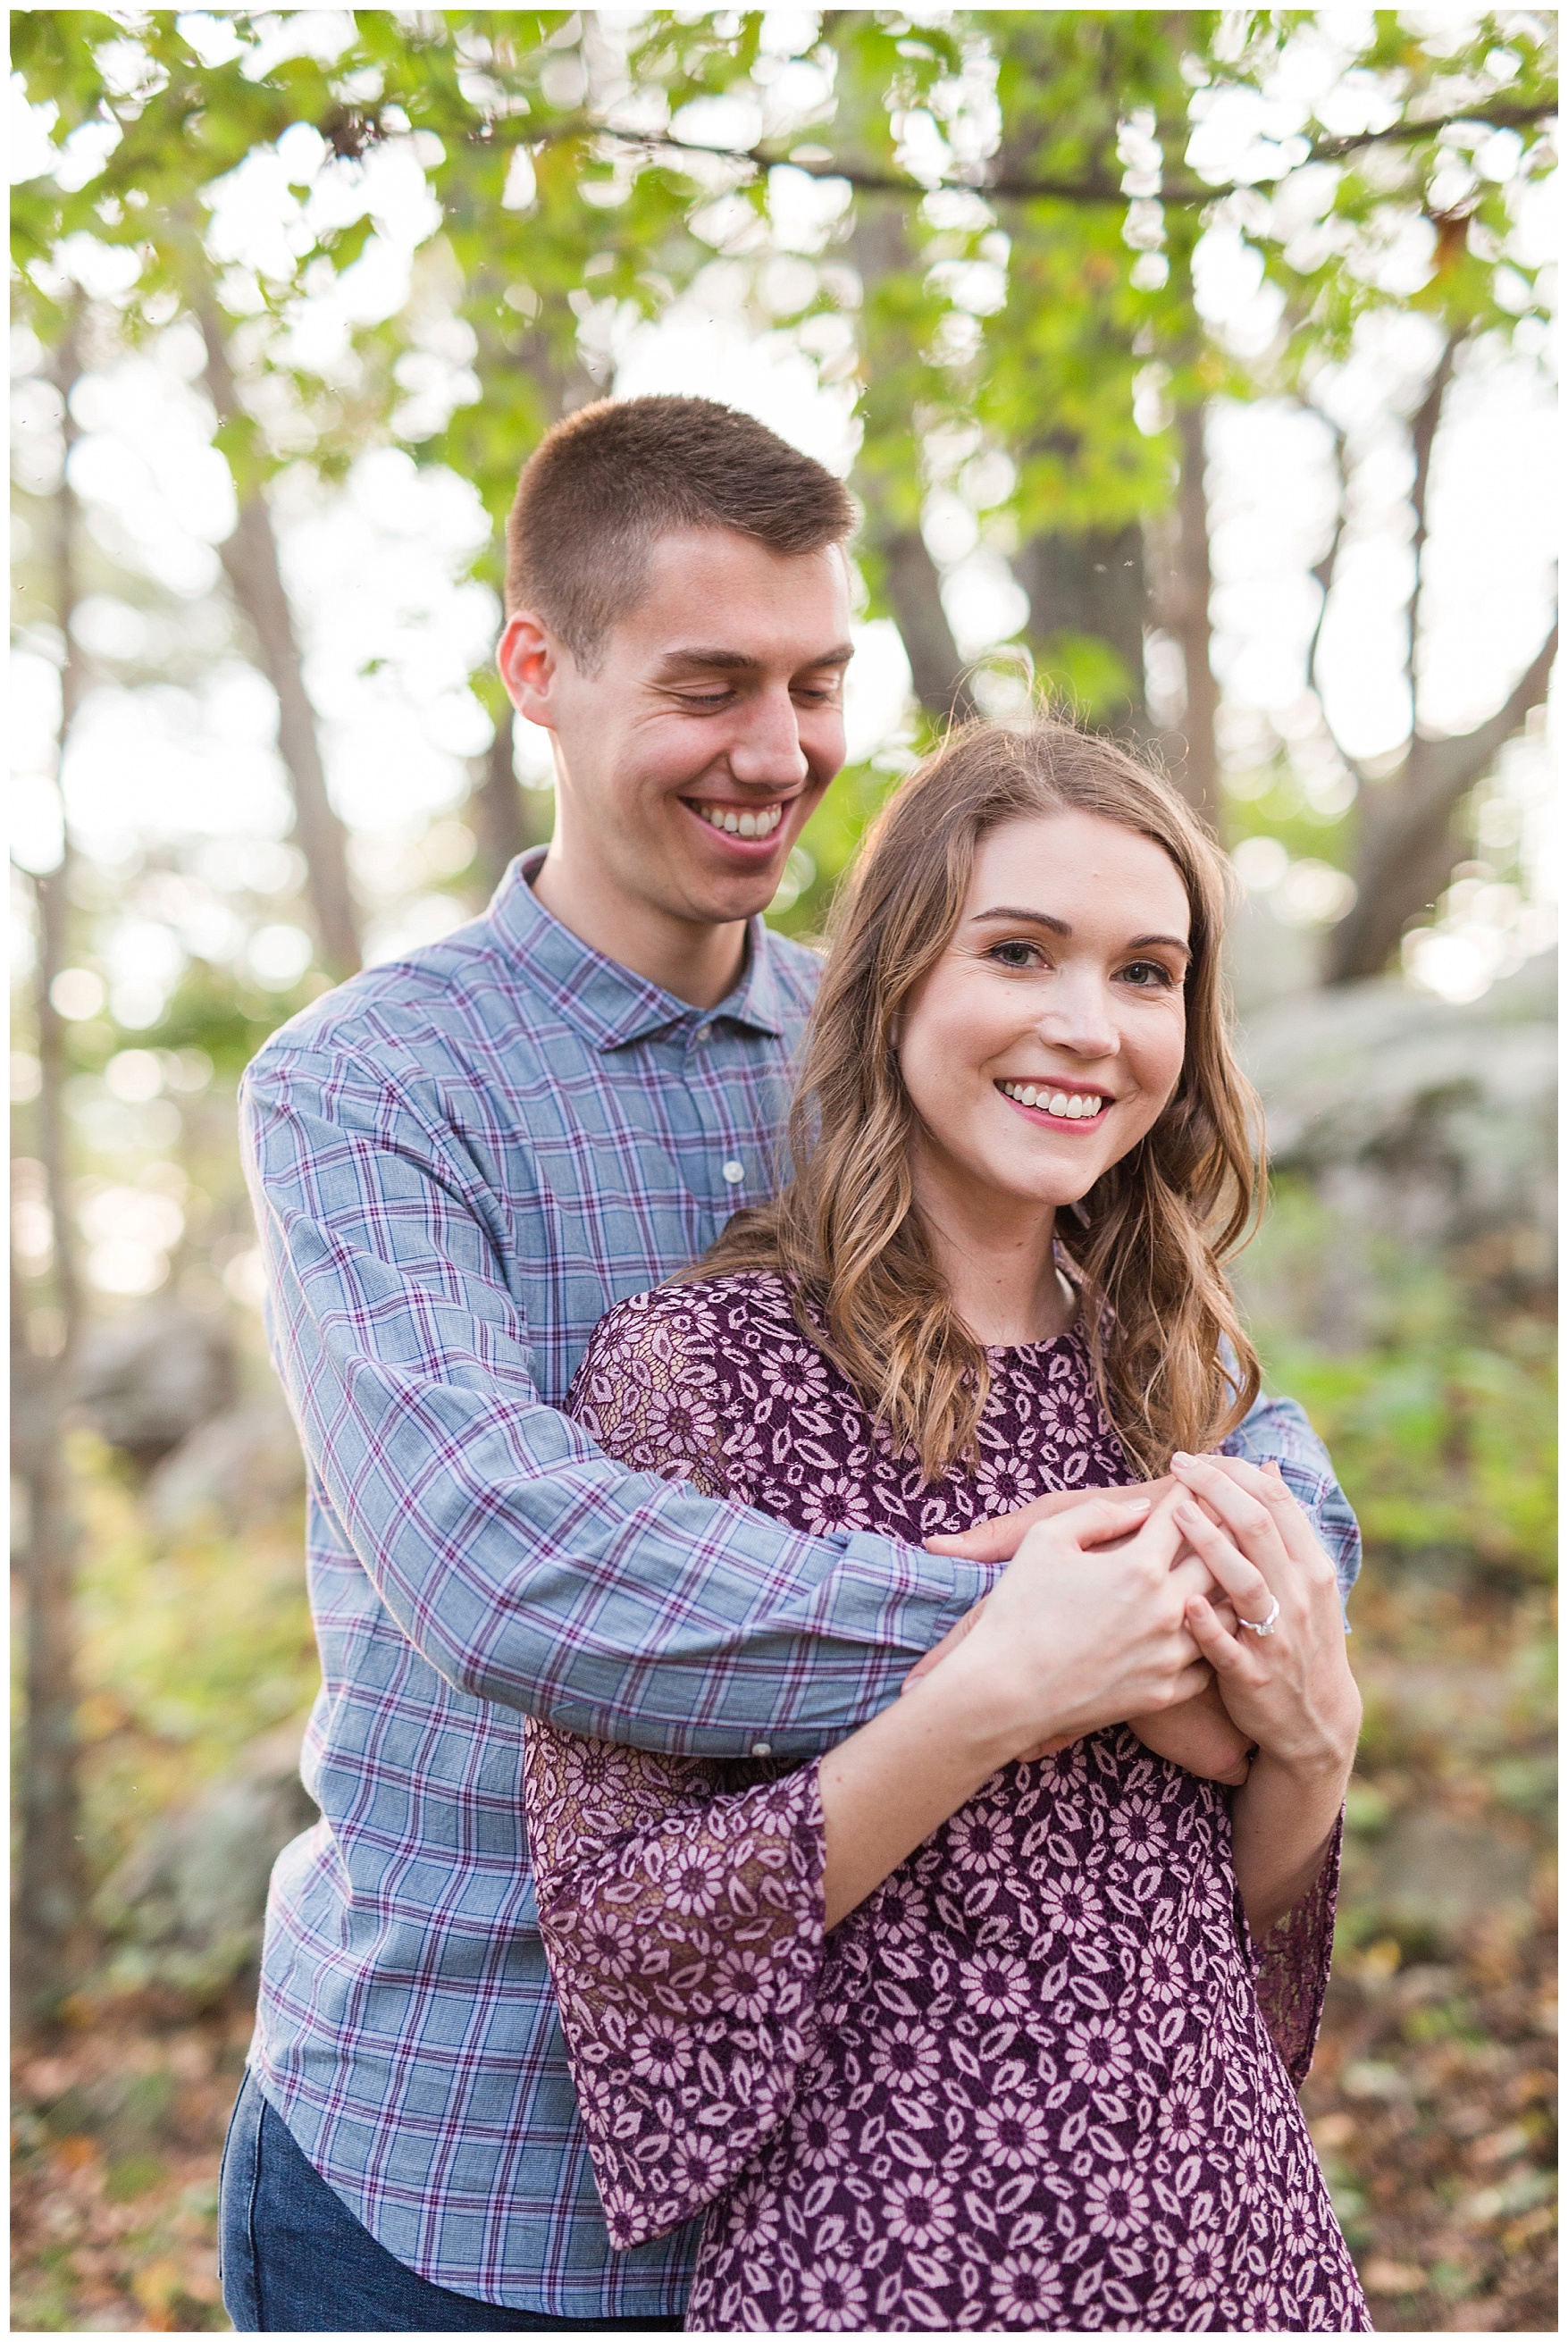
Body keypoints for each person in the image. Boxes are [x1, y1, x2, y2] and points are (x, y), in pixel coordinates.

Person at [222, 395, 1361, 2332]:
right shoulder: (369, 1088)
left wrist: (1272, 1621)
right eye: (707, 684)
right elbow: (499, 1561)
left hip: (869, 2169)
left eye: (817, 682)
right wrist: (1010, 1638)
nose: (777, 752)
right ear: (539, 673)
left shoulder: (915, 1031)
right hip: (467, 2158)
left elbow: (1214, 1415)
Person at [523, 719, 1371, 2332]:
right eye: (1021, 950)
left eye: (1146, 972)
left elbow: (1234, 1901)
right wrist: (988, 1703)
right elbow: (623, 1923)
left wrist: (1316, 1747)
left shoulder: (1185, 1369)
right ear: (899, 975)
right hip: (886, 2259)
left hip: (1229, 2246)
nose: (1087, 1023)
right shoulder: (694, 1375)